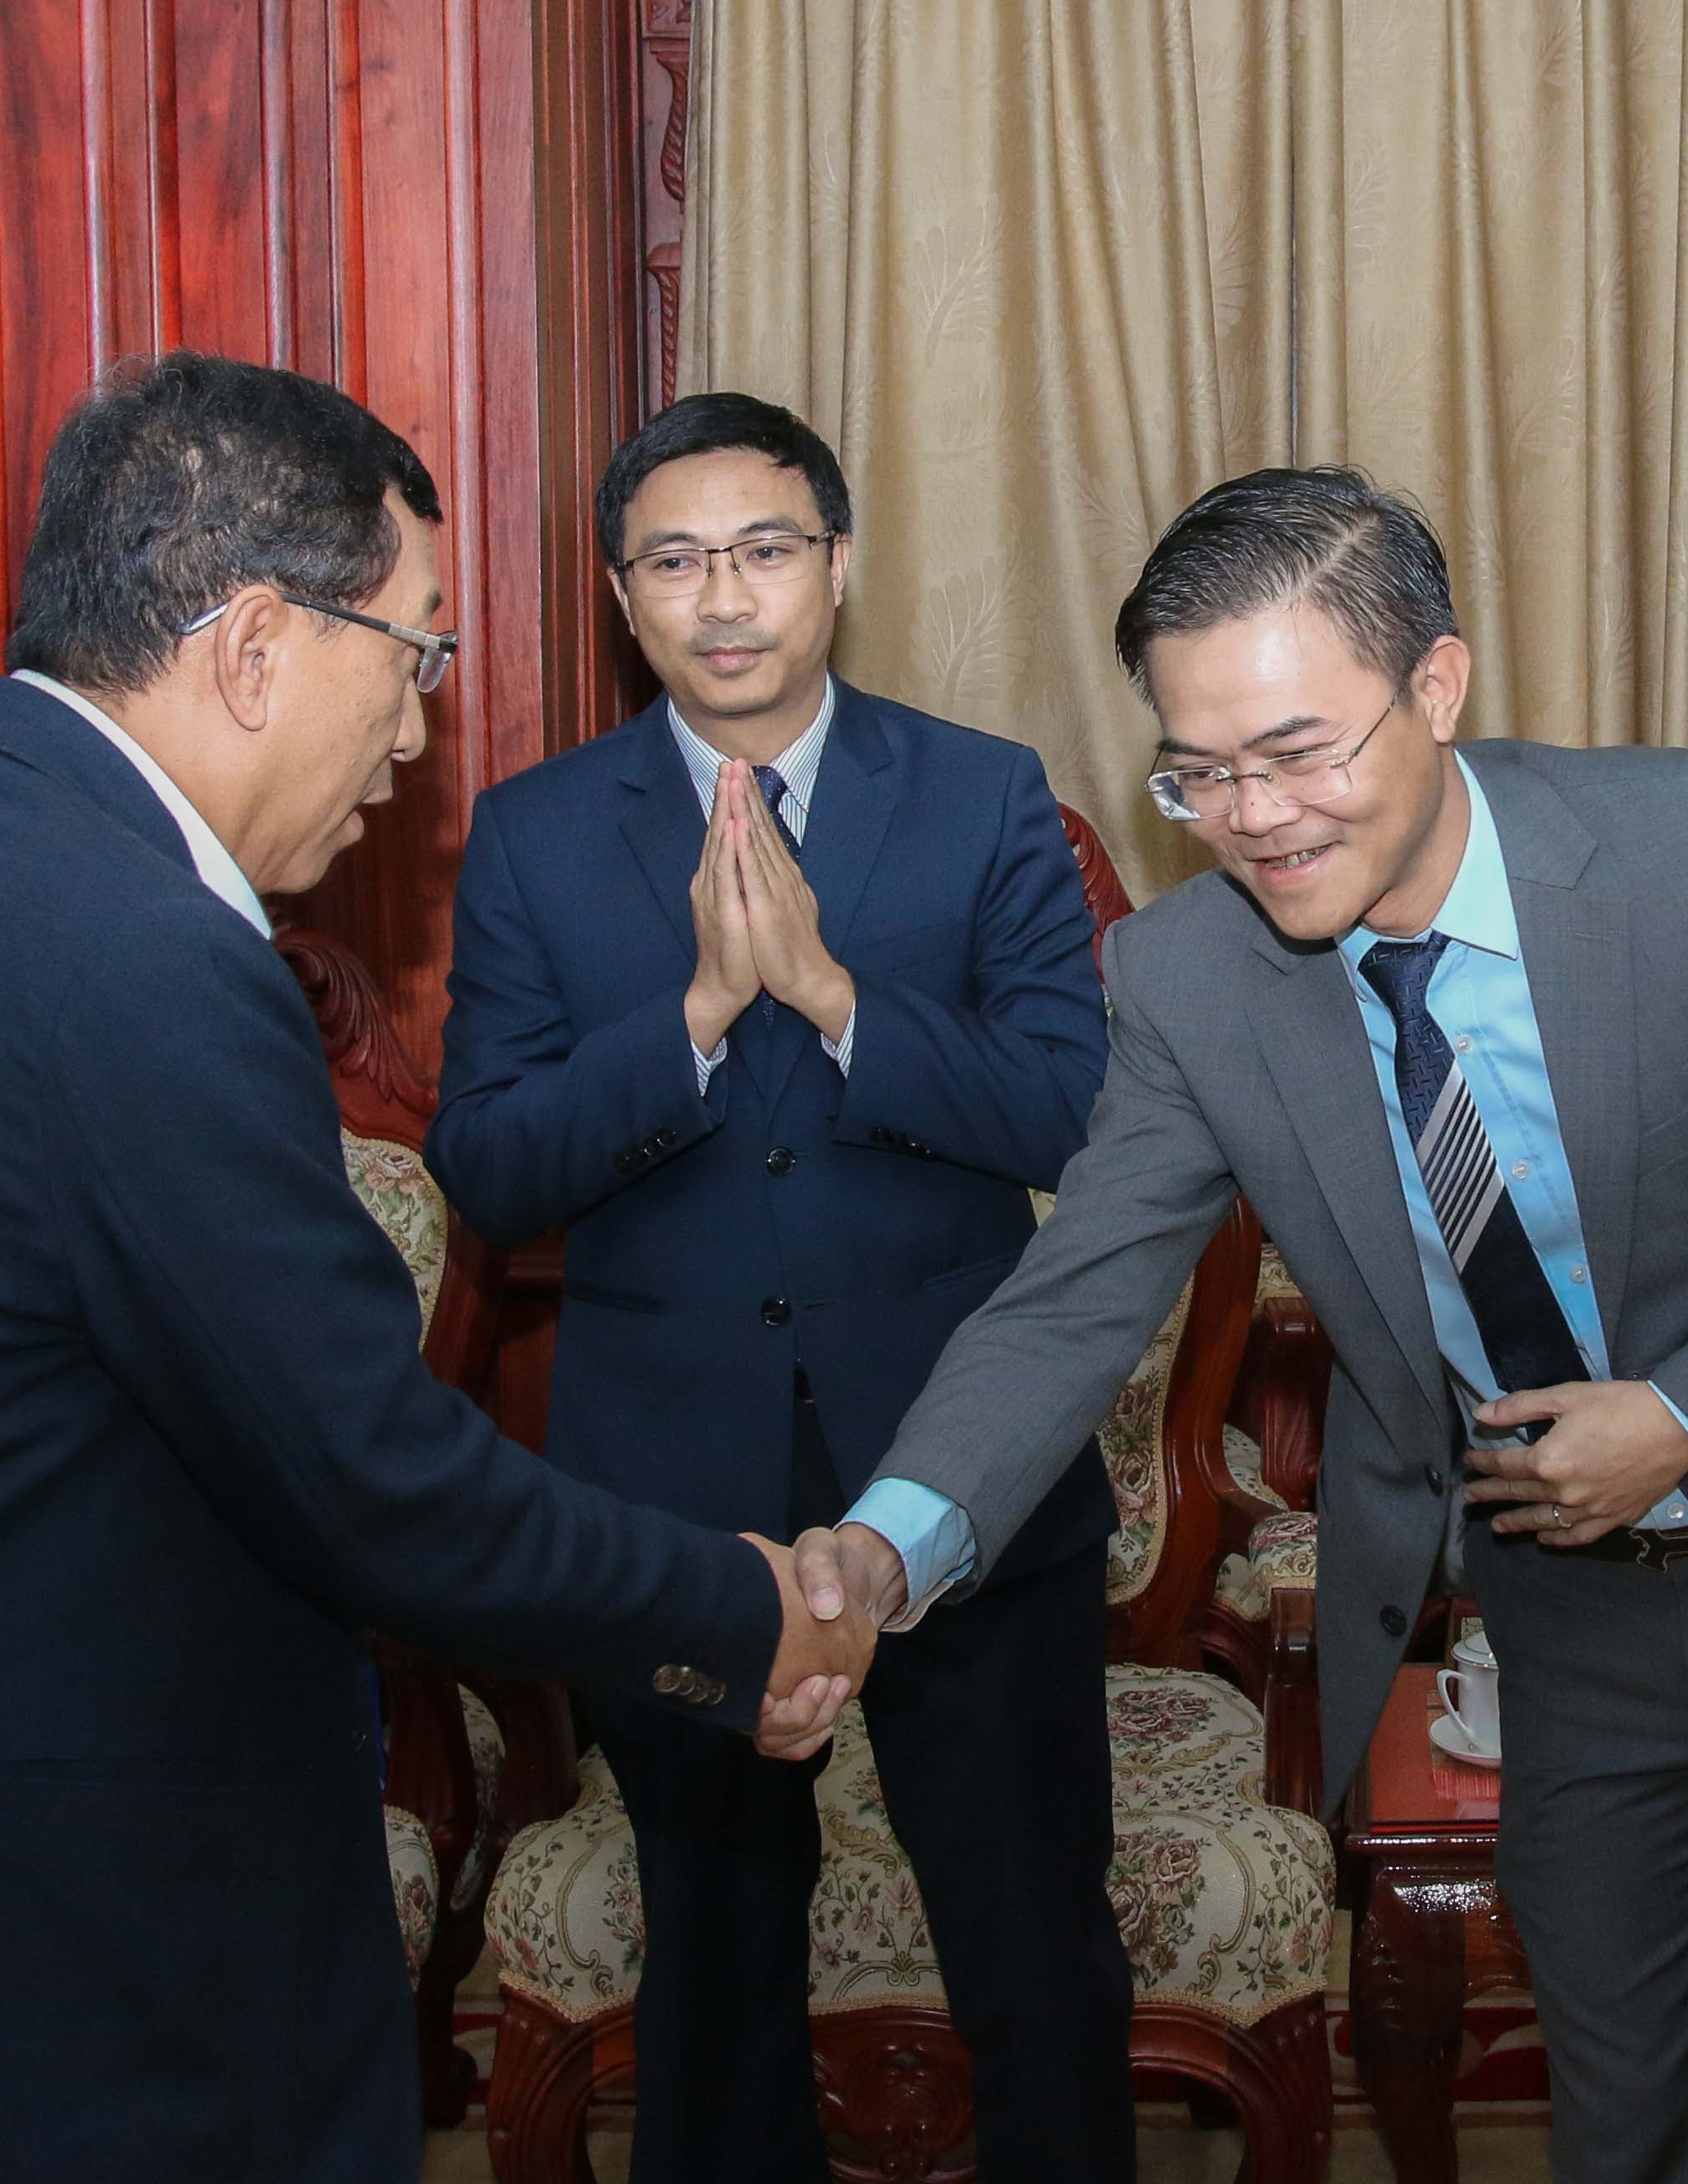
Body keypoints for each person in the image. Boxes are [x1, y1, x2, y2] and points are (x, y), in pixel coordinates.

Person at [0, 355, 872, 2184]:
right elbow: (368, 1476)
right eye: (417, 655)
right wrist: (742, 1611)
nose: (418, 733)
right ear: (259, 644)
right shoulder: (137, 956)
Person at [798, 467, 1688, 2184]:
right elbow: (1074, 1295)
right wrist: (885, 1543)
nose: (1256, 816)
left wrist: (1685, 1412)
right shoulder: (1190, 980)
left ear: (1437, 684)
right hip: (1570, 1610)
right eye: (1199, 770)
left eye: (1300, 750)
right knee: (1629, 2123)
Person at [427, 390, 1130, 2179]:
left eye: (763, 549)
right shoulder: (533, 830)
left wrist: (831, 998)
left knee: (1035, 1945)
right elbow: (490, 1167)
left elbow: (1075, 1107)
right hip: (677, 1490)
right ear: (620, 592)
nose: (724, 596)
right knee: (718, 1970)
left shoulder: (980, 794)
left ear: (839, 563)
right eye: (674, 559)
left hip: (961, 1461)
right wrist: (692, 1015)